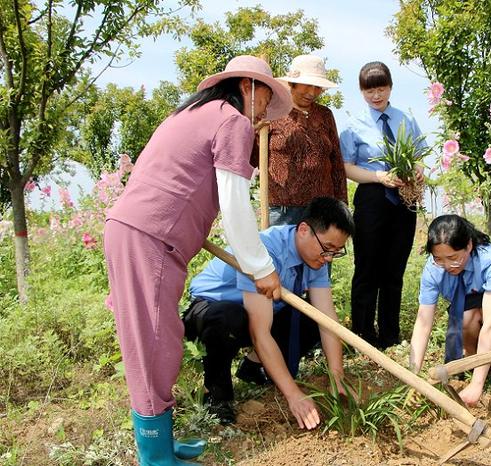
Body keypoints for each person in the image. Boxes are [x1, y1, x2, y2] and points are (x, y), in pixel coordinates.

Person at [103, 56, 292, 465]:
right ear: (248, 87)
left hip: (140, 234)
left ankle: (162, 443)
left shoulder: (191, 113)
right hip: (148, 239)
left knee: (158, 338)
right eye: (264, 100)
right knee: (154, 346)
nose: (262, 115)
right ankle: (154, 456)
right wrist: (262, 268)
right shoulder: (230, 120)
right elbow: (235, 205)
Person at [183, 197, 354, 430]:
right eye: (327, 249)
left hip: (258, 313)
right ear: (304, 230)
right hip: (209, 310)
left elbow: (327, 321)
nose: (329, 258)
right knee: (230, 319)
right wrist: (294, 395)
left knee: (311, 319)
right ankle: (216, 395)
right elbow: (259, 332)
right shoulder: (263, 252)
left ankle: (253, 367)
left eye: (337, 251)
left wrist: (337, 375)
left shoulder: (315, 261)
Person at [340, 61, 426, 349]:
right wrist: (378, 176)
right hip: (372, 198)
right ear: (361, 91)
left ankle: (390, 334)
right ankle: (363, 334)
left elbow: (418, 155)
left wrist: (417, 169)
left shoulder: (405, 119)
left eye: (380, 89)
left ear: (390, 87)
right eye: (369, 91)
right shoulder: (354, 125)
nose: (375, 96)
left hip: (404, 201)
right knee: (367, 267)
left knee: (394, 268)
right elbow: (347, 167)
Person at [409, 215, 491, 406]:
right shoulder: (433, 269)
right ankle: (474, 360)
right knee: (466, 316)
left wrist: (476, 385)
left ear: (469, 246)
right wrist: (413, 376)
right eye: (439, 259)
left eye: (453, 258)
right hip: (467, 305)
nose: (447, 266)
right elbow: (423, 323)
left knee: (473, 316)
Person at [259, 54, 347, 226]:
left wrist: (341, 205)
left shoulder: (325, 115)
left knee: (318, 253)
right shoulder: (270, 112)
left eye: (317, 87)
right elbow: (255, 159)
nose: (312, 93)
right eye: (307, 85)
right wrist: (253, 129)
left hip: (322, 209)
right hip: (282, 210)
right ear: (292, 83)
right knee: (281, 252)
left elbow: (336, 163)